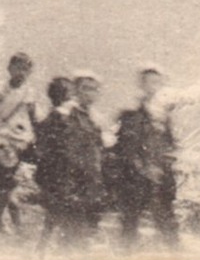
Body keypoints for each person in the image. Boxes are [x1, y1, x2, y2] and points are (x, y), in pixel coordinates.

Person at [108, 65, 179, 248]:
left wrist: (166, 164)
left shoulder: (164, 115)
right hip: (135, 179)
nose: (154, 86)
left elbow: (170, 145)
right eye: (149, 82)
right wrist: (144, 169)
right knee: (129, 226)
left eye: (158, 82)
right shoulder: (131, 114)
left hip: (160, 179)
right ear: (142, 85)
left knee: (168, 226)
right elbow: (126, 148)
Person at [55, 71, 110, 244]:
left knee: (86, 229)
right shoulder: (66, 114)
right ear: (76, 90)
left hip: (91, 179)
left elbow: (102, 147)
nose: (90, 93)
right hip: (72, 179)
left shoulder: (95, 117)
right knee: (72, 230)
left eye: (94, 89)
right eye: (85, 88)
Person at [0, 51, 39, 233]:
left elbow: (33, 116)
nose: (22, 73)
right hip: (4, 140)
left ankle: (2, 222)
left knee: (10, 183)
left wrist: (35, 138)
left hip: (21, 141)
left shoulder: (28, 92)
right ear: (10, 68)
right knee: (6, 182)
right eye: (18, 68)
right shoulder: (0, 90)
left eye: (26, 70)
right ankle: (5, 223)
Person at [33, 76, 76, 249]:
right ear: (66, 96)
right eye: (71, 93)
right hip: (60, 172)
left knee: (55, 212)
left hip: (53, 172)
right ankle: (48, 247)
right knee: (60, 210)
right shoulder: (61, 119)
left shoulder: (50, 118)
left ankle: (44, 246)